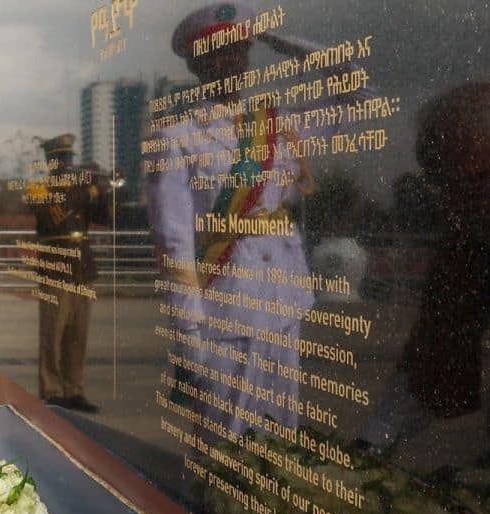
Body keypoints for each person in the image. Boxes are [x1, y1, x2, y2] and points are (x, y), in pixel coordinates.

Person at [149, 3, 364, 442]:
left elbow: (357, 93)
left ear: (247, 58)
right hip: (225, 306)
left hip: (283, 298)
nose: (227, 61)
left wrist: (285, 44)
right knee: (224, 441)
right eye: (214, 53)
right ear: (196, 64)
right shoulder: (176, 138)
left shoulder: (279, 125)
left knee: (280, 436)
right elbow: (173, 240)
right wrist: (187, 326)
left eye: (237, 51)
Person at [356, 83, 490, 469]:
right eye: (445, 188)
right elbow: (432, 348)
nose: (457, 205)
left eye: (476, 179)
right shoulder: (472, 232)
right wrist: (368, 446)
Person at [29, 133, 103, 413]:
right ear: (50, 162)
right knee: (52, 334)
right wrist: (86, 185)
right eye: (60, 159)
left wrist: (101, 188)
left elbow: (102, 215)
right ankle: (51, 389)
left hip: (81, 266)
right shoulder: (39, 188)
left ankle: (74, 389)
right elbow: (54, 216)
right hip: (56, 267)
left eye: (68, 159)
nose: (65, 165)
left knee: (77, 333)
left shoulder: (81, 186)